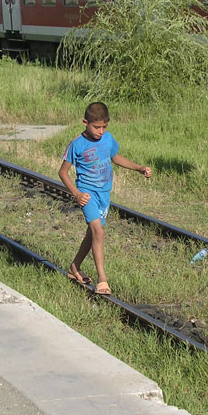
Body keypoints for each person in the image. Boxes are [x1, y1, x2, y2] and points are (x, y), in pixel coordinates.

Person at [59, 102, 152, 295]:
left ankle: (74, 267)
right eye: (96, 127)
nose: (101, 131)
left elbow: (115, 157)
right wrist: (77, 194)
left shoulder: (108, 139)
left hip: (104, 194)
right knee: (99, 233)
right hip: (87, 194)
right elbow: (63, 173)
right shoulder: (77, 144)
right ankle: (103, 279)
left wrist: (138, 168)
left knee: (93, 234)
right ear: (86, 122)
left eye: (104, 127)